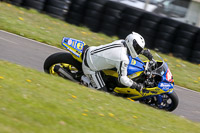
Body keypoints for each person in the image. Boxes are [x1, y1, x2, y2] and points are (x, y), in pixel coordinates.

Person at [82, 32, 154, 92]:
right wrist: (136, 86)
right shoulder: (123, 58)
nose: (138, 51)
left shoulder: (122, 42)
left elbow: (132, 48)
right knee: (103, 93)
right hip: (90, 67)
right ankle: (86, 81)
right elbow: (122, 79)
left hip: (91, 51)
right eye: (138, 49)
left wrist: (143, 52)